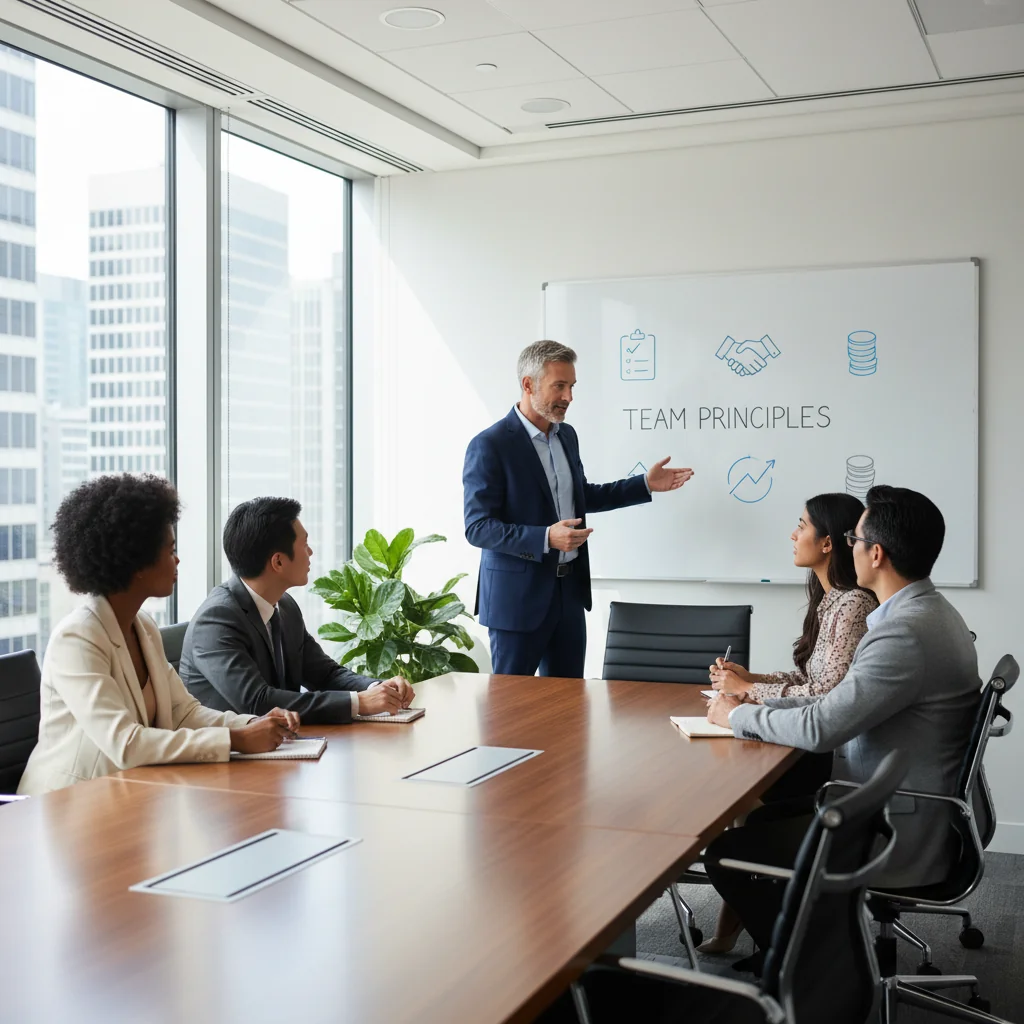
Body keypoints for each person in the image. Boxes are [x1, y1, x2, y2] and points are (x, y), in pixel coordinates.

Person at [703, 485, 980, 974]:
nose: (848, 546)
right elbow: (836, 699)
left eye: (854, 537)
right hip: (902, 805)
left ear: (876, 553)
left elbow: (823, 728)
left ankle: (812, 971)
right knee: (761, 823)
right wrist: (747, 703)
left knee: (727, 854)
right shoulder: (926, 614)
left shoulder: (904, 633)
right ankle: (808, 951)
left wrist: (736, 716)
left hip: (894, 829)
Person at [17, 475, 296, 796]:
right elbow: (124, 742)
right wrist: (235, 740)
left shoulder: (143, 626)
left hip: (126, 792)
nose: (177, 560)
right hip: (65, 803)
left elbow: (183, 712)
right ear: (136, 560)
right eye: (170, 550)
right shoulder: (77, 638)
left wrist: (248, 724)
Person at [699, 492, 878, 953]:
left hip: (823, 754)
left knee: (737, 799)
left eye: (802, 525)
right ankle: (737, 929)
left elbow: (827, 695)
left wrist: (748, 695)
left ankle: (776, 939)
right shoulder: (831, 599)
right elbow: (809, 678)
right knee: (737, 800)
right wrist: (751, 678)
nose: (793, 534)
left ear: (827, 544)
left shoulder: (852, 604)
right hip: (812, 739)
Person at [463, 340, 694, 677]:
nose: (569, 397)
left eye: (571, 386)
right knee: (511, 713)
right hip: (517, 604)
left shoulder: (566, 436)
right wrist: (546, 538)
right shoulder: (490, 445)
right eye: (560, 386)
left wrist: (644, 484)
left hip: (568, 596)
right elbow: (478, 527)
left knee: (569, 710)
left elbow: (581, 497)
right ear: (528, 384)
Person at [180, 496, 414, 722]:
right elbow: (258, 702)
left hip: (281, 748)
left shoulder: (285, 606)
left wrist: (377, 689)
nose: (310, 553)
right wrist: (359, 703)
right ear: (278, 562)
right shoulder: (216, 620)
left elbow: (324, 674)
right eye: (305, 544)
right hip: (227, 756)